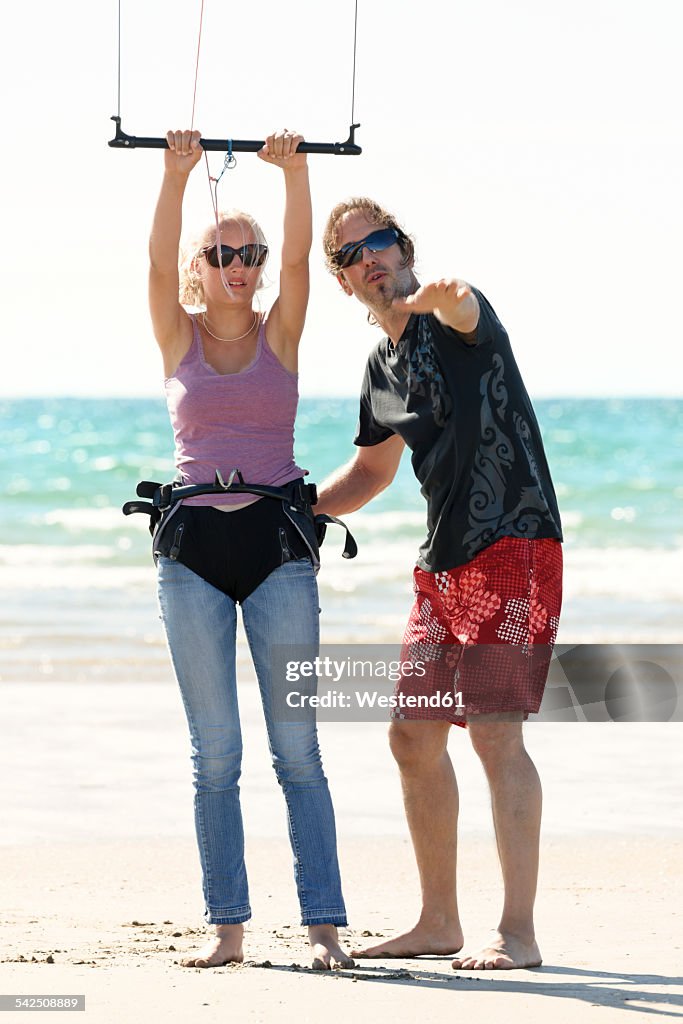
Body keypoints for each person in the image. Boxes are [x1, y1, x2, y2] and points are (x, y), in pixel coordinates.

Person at [317, 197, 563, 970]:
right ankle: (436, 921)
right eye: (352, 254)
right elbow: (371, 470)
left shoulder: (458, 320)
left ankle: (516, 934)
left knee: (494, 731)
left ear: (404, 247)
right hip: (443, 564)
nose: (370, 258)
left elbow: (463, 305)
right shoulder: (379, 367)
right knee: (412, 737)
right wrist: (293, 505)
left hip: (513, 544)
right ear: (342, 278)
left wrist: (447, 295)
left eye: (379, 241)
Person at [147, 128, 352, 970]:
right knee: (215, 753)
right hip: (192, 552)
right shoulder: (177, 334)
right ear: (203, 265)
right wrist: (173, 176)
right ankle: (226, 927)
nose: (237, 263)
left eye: (248, 253)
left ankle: (323, 926)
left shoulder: (281, 331)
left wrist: (294, 177)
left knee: (296, 748)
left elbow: (304, 263)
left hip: (277, 549)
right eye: (221, 252)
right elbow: (157, 267)